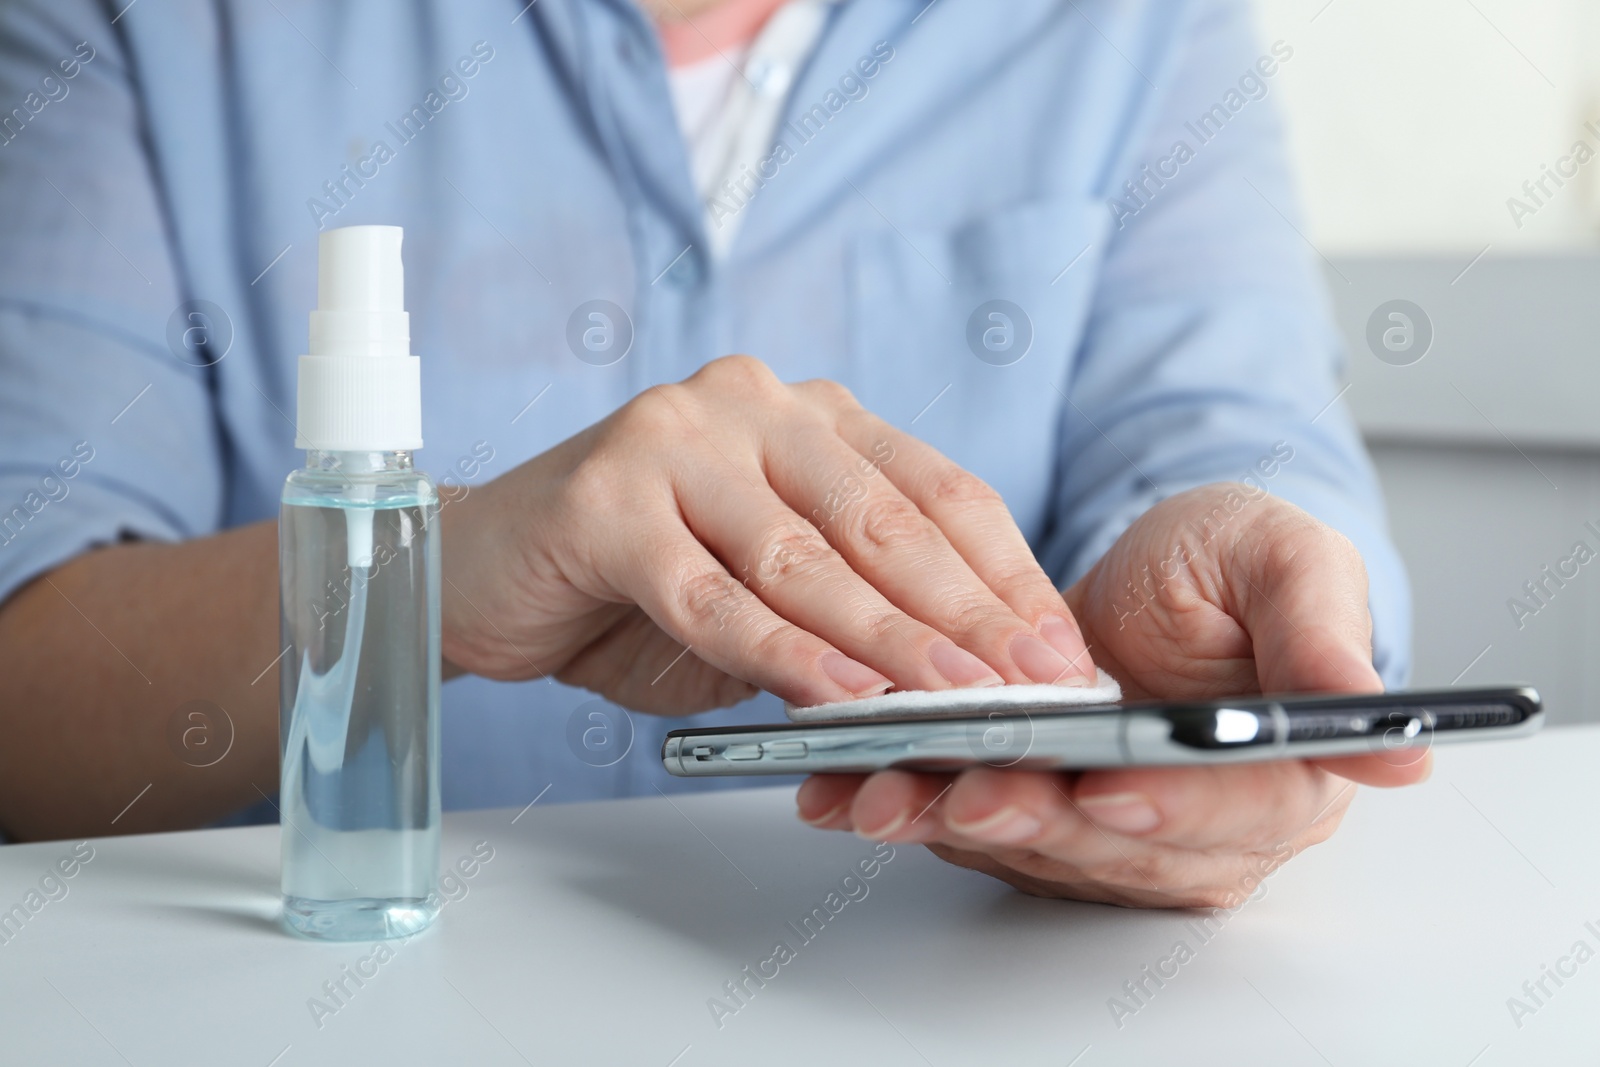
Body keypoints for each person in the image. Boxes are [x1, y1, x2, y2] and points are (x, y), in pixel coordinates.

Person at [0, 0, 1423, 907]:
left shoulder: (1131, 30)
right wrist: (439, 569)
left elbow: (1241, 442)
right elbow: (22, 677)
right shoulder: (146, 27)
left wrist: (1247, 628)